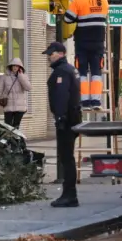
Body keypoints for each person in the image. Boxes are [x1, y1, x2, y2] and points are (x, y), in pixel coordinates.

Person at [44, 41, 81, 208]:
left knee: (66, 158)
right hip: (71, 118)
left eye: (51, 54)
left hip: (66, 121)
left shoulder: (62, 72)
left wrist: (60, 118)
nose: (49, 58)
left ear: (60, 53)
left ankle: (69, 194)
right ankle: (69, 193)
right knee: (67, 157)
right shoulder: (69, 69)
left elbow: (61, 96)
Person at [63, 0, 108, 109]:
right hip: (98, 41)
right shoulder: (104, 1)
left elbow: (67, 19)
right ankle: (96, 101)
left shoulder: (78, 1)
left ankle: (84, 102)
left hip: (82, 42)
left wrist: (77, 16)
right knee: (96, 71)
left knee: (82, 72)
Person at [0, 57, 31, 130]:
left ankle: (16, 141)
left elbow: (28, 88)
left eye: (17, 66)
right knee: (8, 127)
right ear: (11, 66)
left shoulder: (24, 76)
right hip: (8, 106)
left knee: (16, 128)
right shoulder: (4, 77)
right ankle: (10, 141)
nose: (15, 67)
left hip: (20, 107)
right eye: (14, 65)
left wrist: (20, 76)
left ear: (20, 67)